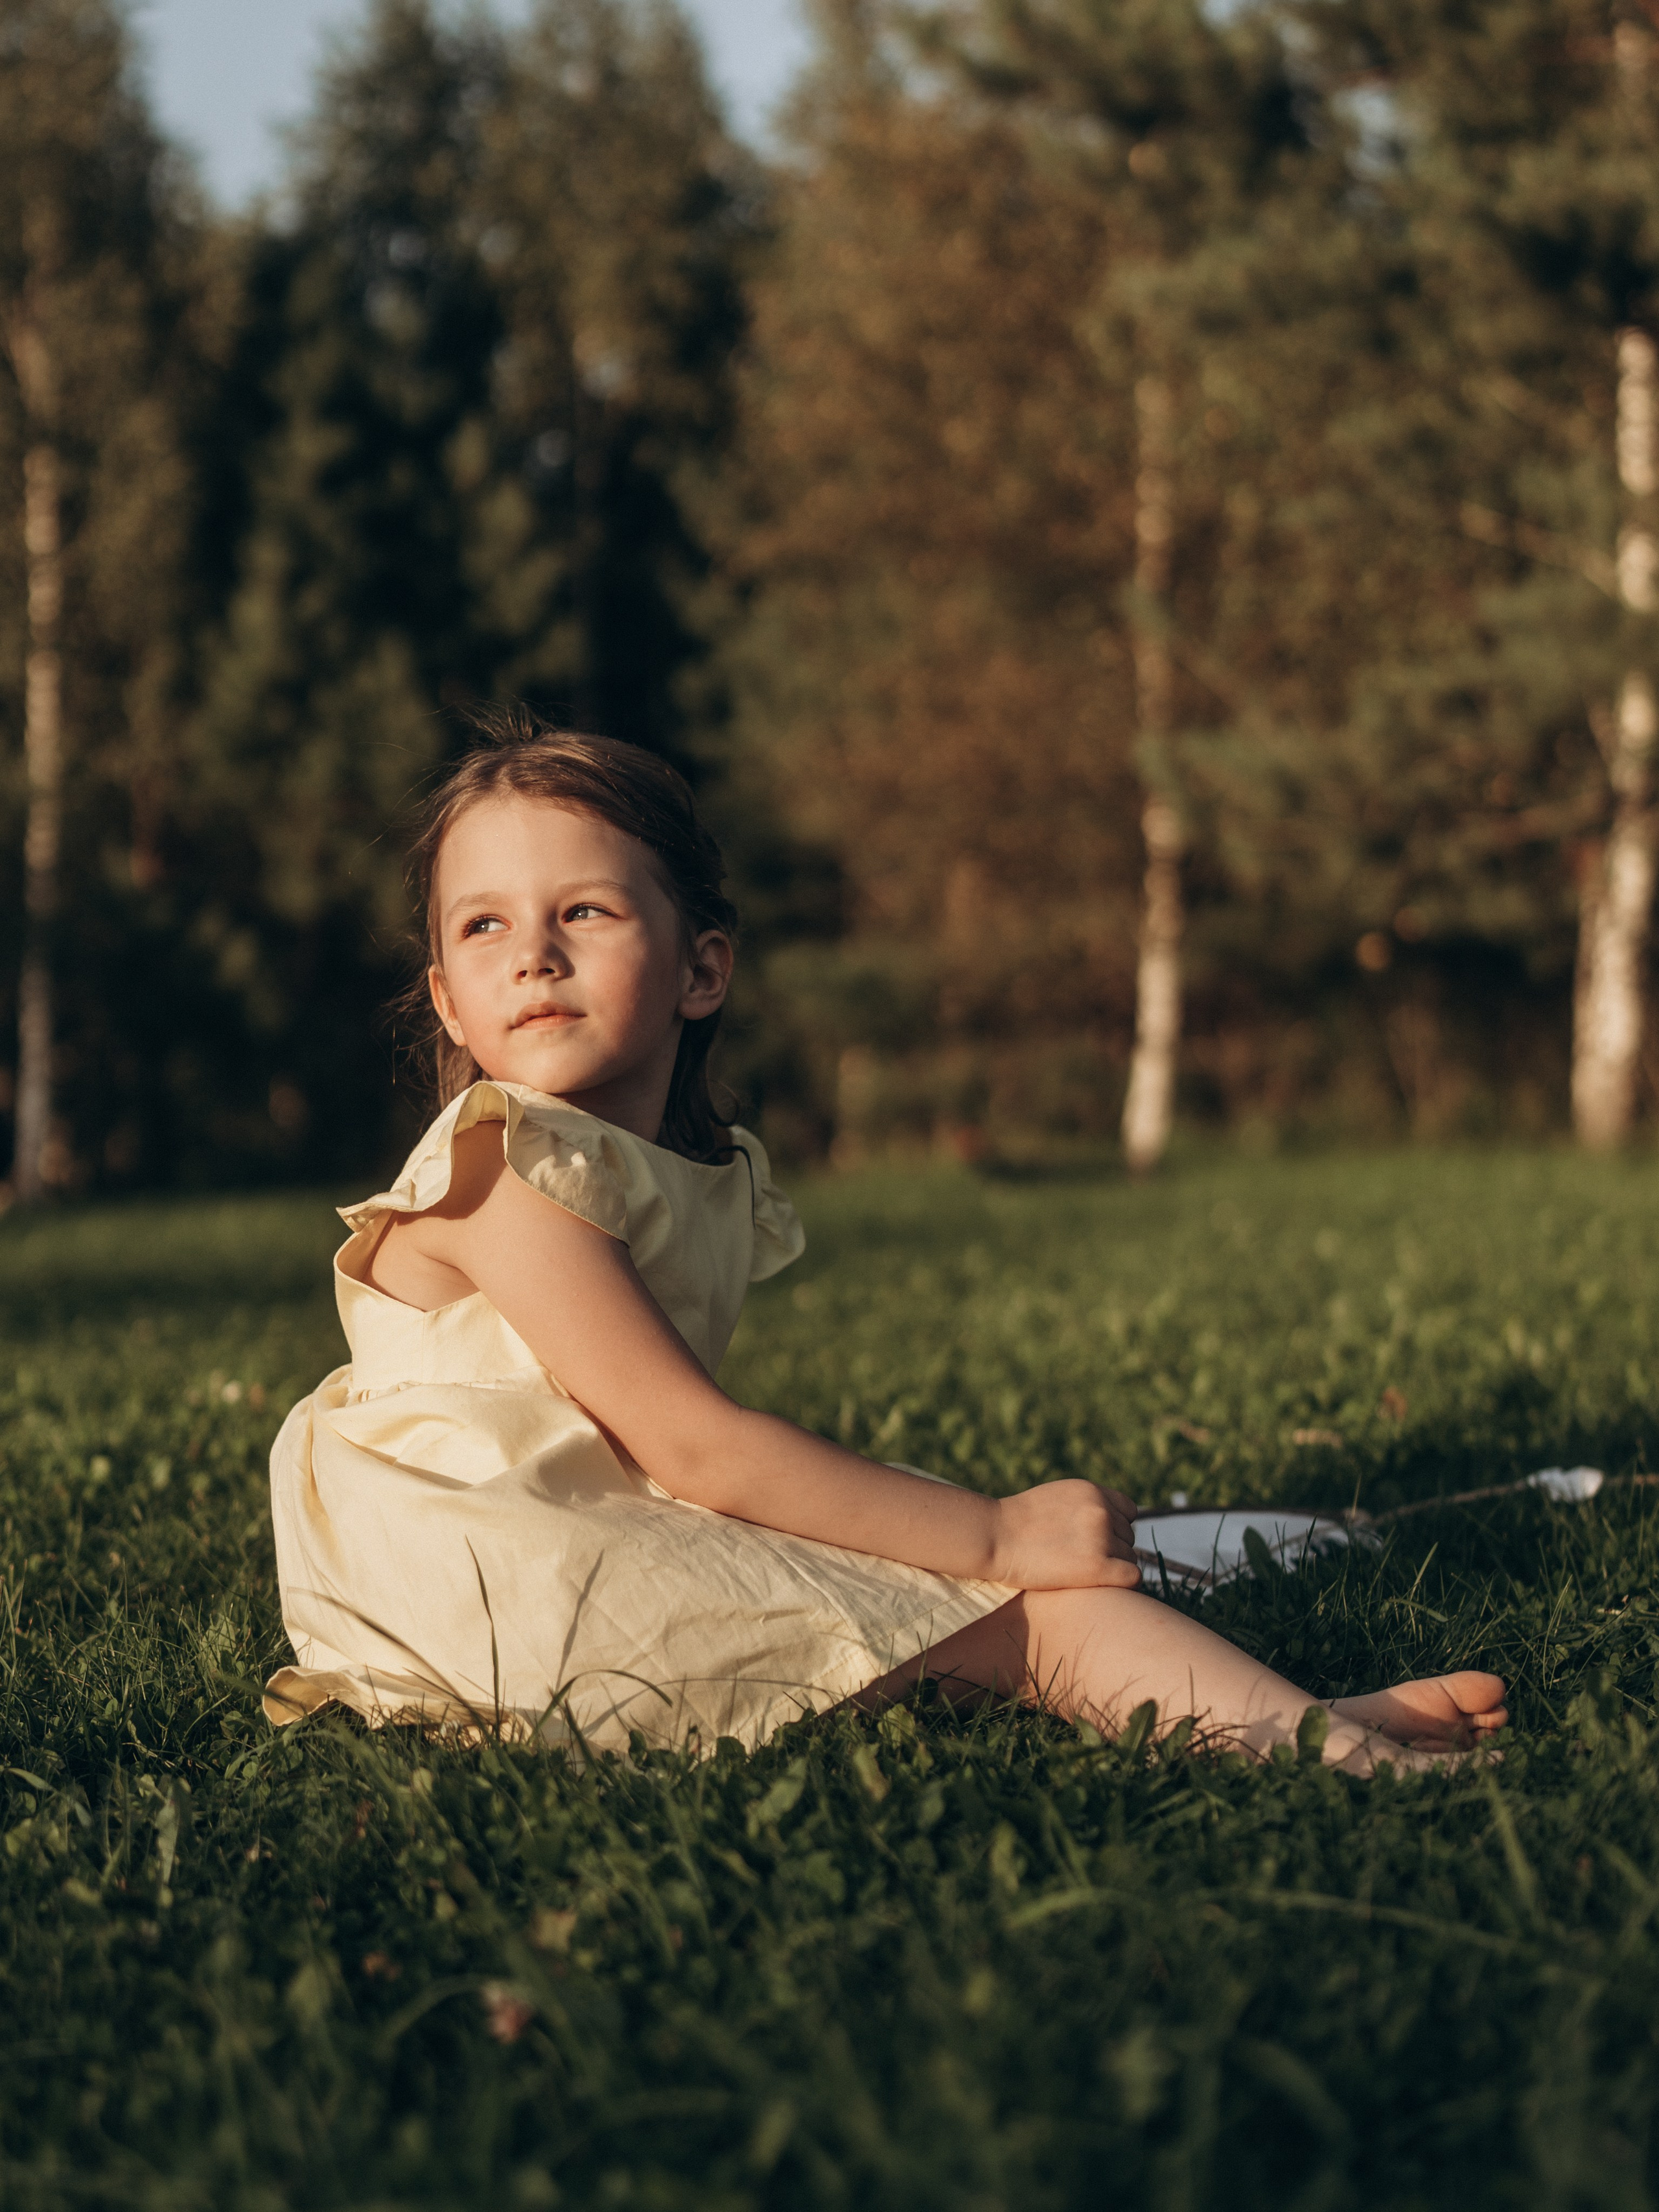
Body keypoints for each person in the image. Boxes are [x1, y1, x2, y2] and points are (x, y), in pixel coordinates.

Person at [265, 711, 1507, 1775]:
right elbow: (698, 1446)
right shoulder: (502, 1168)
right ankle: (1317, 1748)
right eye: (483, 926)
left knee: (937, 1571)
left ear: (702, 969)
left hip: (549, 1547)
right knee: (1011, 1600)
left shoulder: (647, 1164)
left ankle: (1279, 1713)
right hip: (487, 1590)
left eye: (582, 909)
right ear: (445, 997)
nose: (532, 952)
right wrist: (993, 1532)